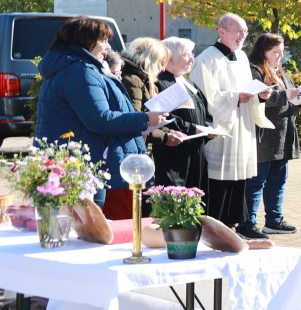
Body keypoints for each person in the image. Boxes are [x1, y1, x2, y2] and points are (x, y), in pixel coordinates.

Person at [33, 16, 164, 210]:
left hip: (81, 163)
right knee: (85, 231)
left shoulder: (77, 68)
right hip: (81, 167)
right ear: (85, 41)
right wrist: (145, 119)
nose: (108, 47)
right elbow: (99, 119)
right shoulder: (79, 71)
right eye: (103, 41)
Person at [193, 14, 272, 235]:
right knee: (219, 181)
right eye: (238, 31)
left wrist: (259, 95)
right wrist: (235, 97)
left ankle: (236, 225)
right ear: (221, 32)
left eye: (245, 31)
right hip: (222, 127)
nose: (242, 36)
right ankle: (215, 228)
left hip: (242, 124)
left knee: (239, 179)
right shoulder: (207, 59)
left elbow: (248, 87)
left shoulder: (242, 58)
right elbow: (205, 97)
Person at [246, 33, 301, 236]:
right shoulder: (253, 71)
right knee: (257, 181)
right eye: (275, 52)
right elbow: (258, 98)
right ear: (263, 51)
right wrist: (286, 95)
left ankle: (274, 220)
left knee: (278, 179)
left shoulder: (280, 72)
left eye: (282, 52)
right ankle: (248, 222)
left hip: (283, 135)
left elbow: (289, 97)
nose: (279, 56)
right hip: (264, 136)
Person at [149, 36, 214, 190]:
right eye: (187, 54)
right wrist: (192, 128)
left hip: (196, 151)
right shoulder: (160, 83)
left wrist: (208, 128)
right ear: (170, 58)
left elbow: (204, 110)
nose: (192, 58)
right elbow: (163, 116)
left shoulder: (189, 83)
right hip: (173, 153)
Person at [119, 38, 167, 114]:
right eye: (161, 63)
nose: (163, 69)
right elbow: (135, 118)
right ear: (150, 60)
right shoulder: (133, 80)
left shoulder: (145, 79)